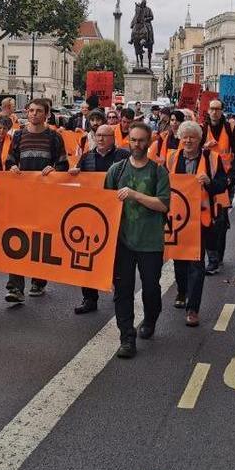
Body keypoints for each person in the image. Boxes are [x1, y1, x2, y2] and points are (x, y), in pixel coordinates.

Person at [105, 122, 171, 358]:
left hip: (150, 242)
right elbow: (105, 204)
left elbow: (162, 204)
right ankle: (127, 338)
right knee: (122, 291)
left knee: (151, 289)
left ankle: (151, 319)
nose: (137, 144)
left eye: (141, 140)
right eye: (133, 140)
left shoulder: (158, 171)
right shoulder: (117, 170)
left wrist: (134, 195)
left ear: (149, 141)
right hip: (122, 242)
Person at [5, 98, 70, 302]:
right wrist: (12, 167)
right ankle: (15, 287)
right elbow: (9, 159)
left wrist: (54, 169)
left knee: (41, 239)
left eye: (38, 111)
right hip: (21, 196)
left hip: (45, 198)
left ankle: (38, 280)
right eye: (31, 110)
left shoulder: (54, 137)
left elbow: (63, 165)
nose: (34, 114)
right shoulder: (18, 135)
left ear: (47, 114)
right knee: (17, 238)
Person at [167, 120, 229, 326]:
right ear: (180, 138)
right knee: (179, 259)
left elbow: (222, 184)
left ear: (199, 139)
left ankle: (193, 308)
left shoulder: (212, 159)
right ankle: (182, 290)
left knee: (196, 263)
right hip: (177, 219)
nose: (188, 140)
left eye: (192, 137)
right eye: (185, 137)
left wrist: (210, 182)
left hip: (201, 219)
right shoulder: (172, 157)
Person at [71, 124, 130, 315]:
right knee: (87, 256)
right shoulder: (87, 157)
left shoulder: (123, 157)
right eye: (98, 135)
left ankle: (119, 290)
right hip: (92, 214)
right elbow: (77, 182)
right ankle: (89, 298)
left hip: (118, 214)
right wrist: (74, 173)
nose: (101, 139)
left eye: (105, 135)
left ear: (113, 138)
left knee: (117, 256)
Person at [203, 99, 235, 274]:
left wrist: (231, 178)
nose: (214, 112)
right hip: (205, 181)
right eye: (212, 109)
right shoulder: (202, 129)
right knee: (206, 217)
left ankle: (217, 256)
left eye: (218, 109)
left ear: (222, 111)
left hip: (224, 182)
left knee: (220, 219)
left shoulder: (230, 129)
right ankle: (211, 255)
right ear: (208, 110)